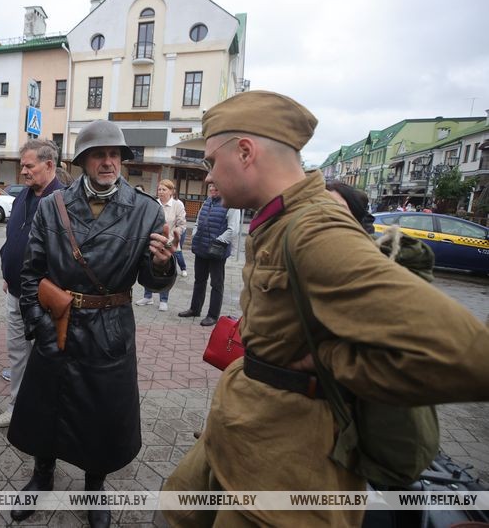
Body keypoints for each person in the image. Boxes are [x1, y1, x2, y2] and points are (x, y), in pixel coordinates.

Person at [163, 90, 489, 527]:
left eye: (209, 162)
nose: (207, 177)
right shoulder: (278, 218)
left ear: (244, 152)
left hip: (286, 475)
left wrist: (331, 360)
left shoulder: (315, 229)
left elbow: (467, 356)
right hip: (246, 436)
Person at [8, 120, 176, 528]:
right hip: (58, 324)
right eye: (99, 154)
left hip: (110, 329)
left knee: (101, 415)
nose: (108, 162)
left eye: (115, 154)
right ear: (83, 161)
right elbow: (31, 273)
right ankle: (41, 475)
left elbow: (152, 279)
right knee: (46, 408)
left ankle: (94, 486)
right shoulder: (53, 206)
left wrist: (161, 264)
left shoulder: (146, 210)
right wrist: (38, 322)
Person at [0, 139, 63, 429]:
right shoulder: (24, 195)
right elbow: (14, 236)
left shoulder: (63, 200)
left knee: (45, 356)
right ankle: (17, 405)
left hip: (43, 297)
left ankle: (46, 411)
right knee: (17, 352)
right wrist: (9, 274)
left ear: (49, 165)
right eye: (22, 165)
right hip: (16, 291)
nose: (23, 171)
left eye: (29, 165)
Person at [327, 180, 435, 281]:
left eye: (338, 208)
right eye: (317, 205)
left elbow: (420, 265)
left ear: (354, 214)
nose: (325, 212)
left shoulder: (370, 248)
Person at [177, 183, 239, 325]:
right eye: (211, 186)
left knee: (216, 284)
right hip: (201, 248)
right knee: (199, 281)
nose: (212, 189)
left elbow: (233, 229)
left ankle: (213, 315)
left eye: (216, 187)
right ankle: (195, 309)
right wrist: (196, 235)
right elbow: (198, 221)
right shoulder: (207, 201)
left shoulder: (231, 204)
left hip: (217, 251)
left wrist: (217, 241)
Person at [134, 178, 186, 311]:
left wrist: (175, 235)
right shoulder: (152, 204)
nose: (161, 192)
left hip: (168, 245)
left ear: (171, 191)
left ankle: (164, 299)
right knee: (148, 268)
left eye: (164, 189)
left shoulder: (177, 205)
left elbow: (182, 224)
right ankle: (148, 296)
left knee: (164, 269)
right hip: (151, 243)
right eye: (159, 189)